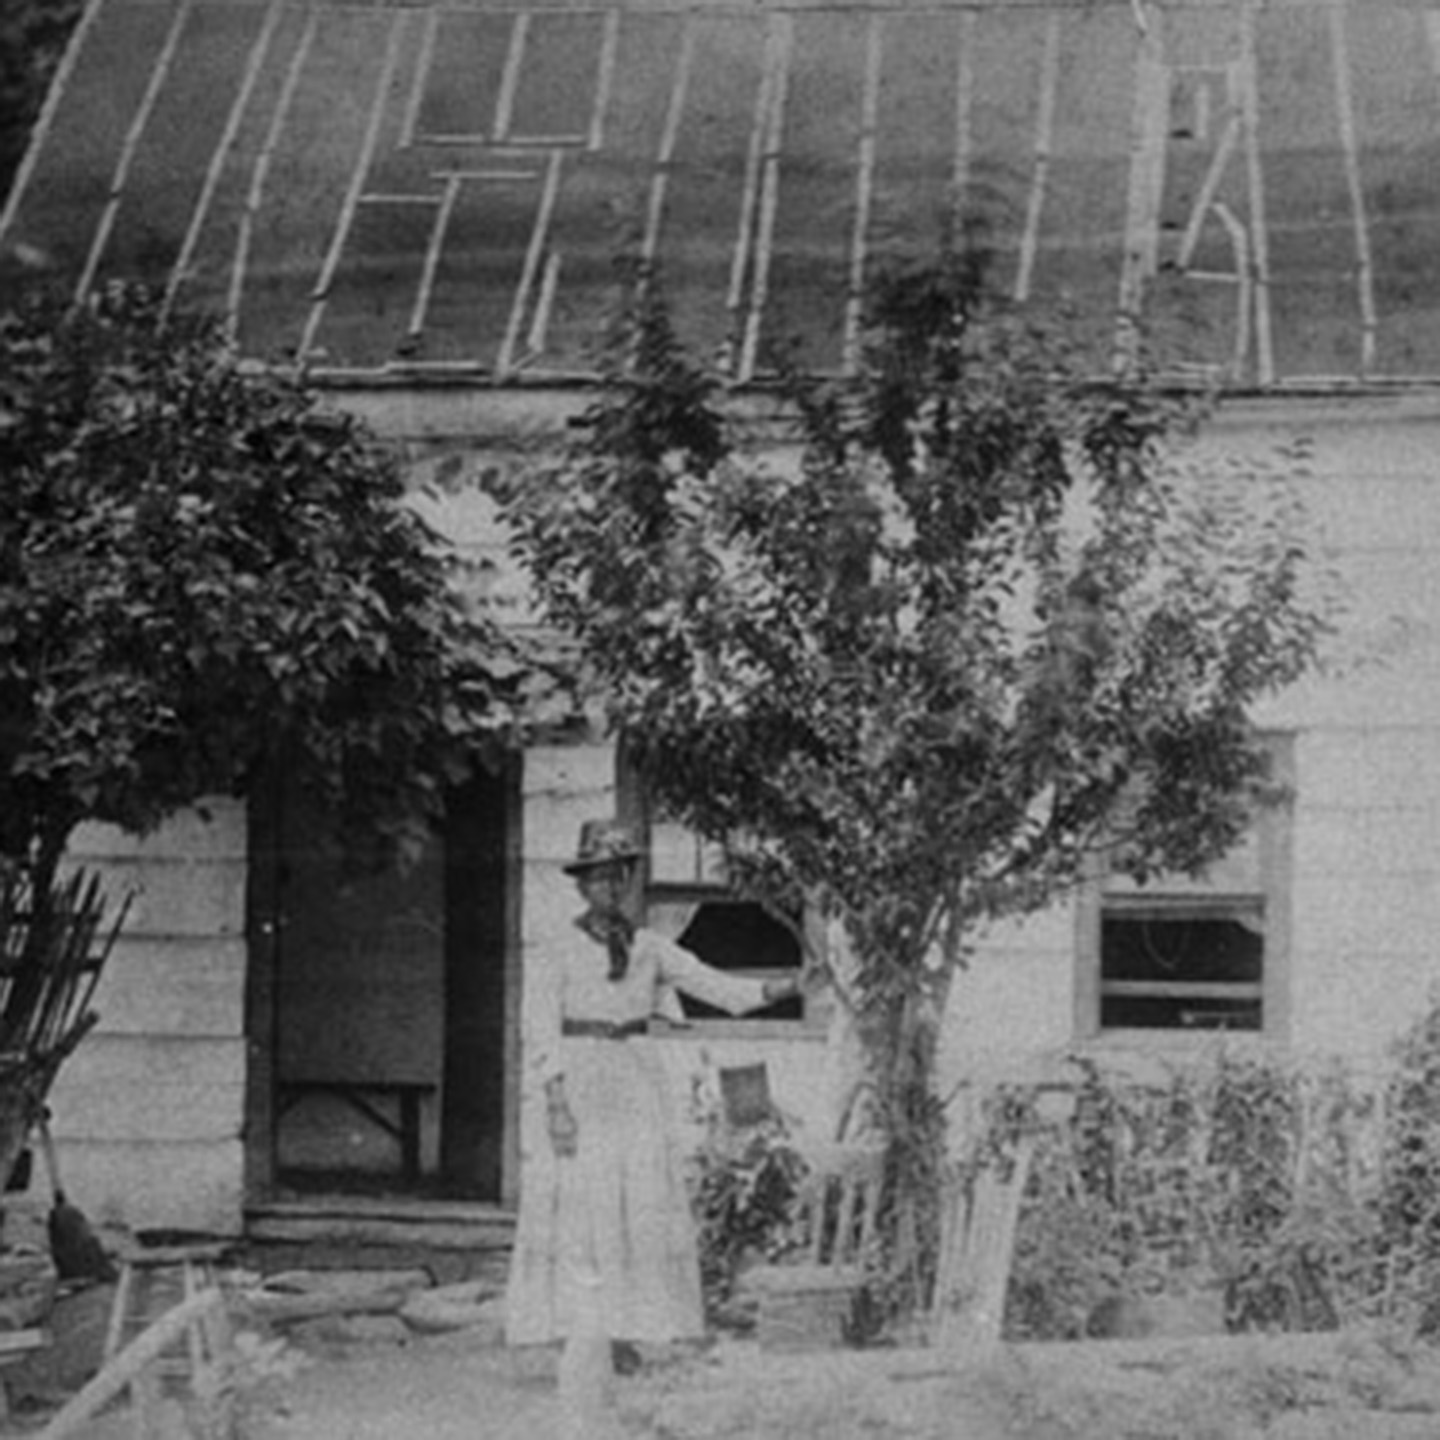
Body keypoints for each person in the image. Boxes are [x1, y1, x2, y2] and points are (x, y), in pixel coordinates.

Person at [504, 819, 800, 1413]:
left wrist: (789, 985)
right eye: (598, 878)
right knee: (582, 1200)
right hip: (581, 1081)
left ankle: (620, 1330)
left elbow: (720, 989)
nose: (610, 888)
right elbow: (540, 1030)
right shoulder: (556, 948)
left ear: (630, 882)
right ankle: (578, 1329)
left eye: (619, 876)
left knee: (634, 1197)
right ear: (582, 885)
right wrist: (557, 1104)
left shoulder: (649, 947)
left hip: (636, 1082)